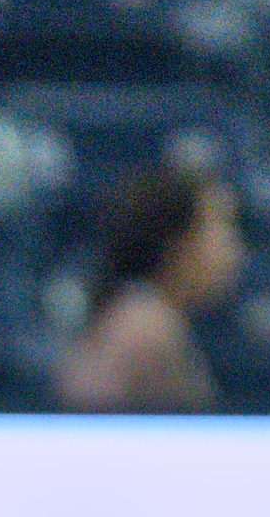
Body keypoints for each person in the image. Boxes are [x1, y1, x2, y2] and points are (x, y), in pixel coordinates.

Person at [52, 166, 244, 413]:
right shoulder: (145, 325)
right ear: (177, 244)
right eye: (222, 227)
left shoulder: (146, 314)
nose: (236, 249)